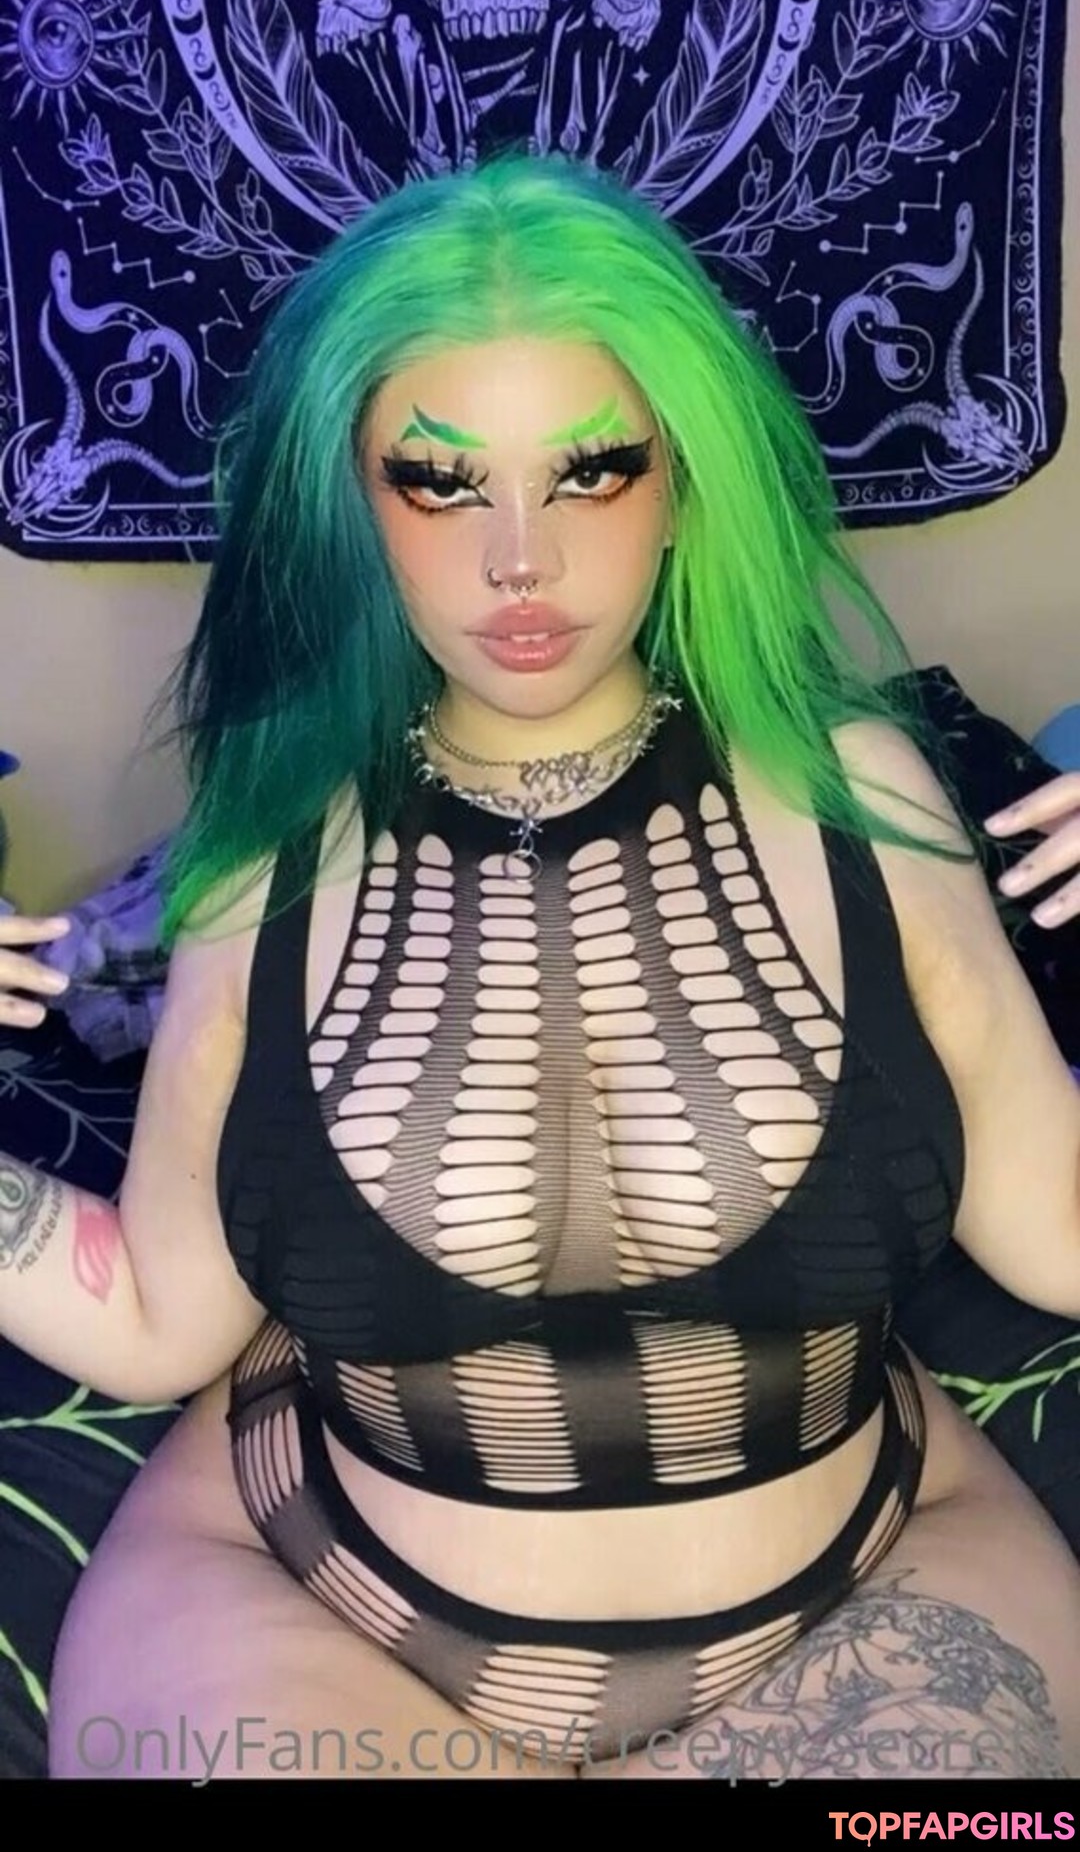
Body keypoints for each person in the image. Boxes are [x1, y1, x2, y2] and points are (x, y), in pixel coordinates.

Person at [0, 154, 1078, 1784]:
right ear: (357, 498)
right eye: (442, 480)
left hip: (860, 1586)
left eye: (591, 470)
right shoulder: (265, 845)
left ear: (684, 476)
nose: (521, 558)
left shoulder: (863, 791)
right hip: (317, 1593)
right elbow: (157, 1315)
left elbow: (1058, 1227)